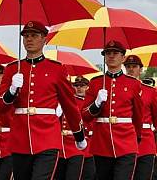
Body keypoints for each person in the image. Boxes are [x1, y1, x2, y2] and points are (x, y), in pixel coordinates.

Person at [0, 21, 86, 180]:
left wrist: (79, 135)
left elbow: (69, 105)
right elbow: (0, 107)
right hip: (20, 138)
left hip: (47, 137)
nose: (29, 39)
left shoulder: (57, 69)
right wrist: (10, 92)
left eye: (34, 36)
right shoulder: (12, 69)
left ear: (44, 39)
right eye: (26, 36)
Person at [82, 41, 143, 180]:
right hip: (102, 143)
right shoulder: (96, 82)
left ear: (123, 58)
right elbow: (84, 115)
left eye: (115, 53)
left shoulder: (133, 84)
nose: (111, 56)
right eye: (108, 53)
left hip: (126, 142)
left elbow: (138, 116)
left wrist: (136, 137)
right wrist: (96, 104)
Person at [124, 54, 157, 180]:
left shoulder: (150, 91)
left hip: (146, 141)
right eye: (128, 66)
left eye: (134, 66)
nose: (131, 69)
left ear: (141, 69)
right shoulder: (120, 89)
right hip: (124, 139)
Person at [55, 75, 94, 180]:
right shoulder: (68, 101)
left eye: (82, 85)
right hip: (62, 144)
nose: (79, 88)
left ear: (87, 87)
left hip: (79, 143)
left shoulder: (88, 103)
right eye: (76, 85)